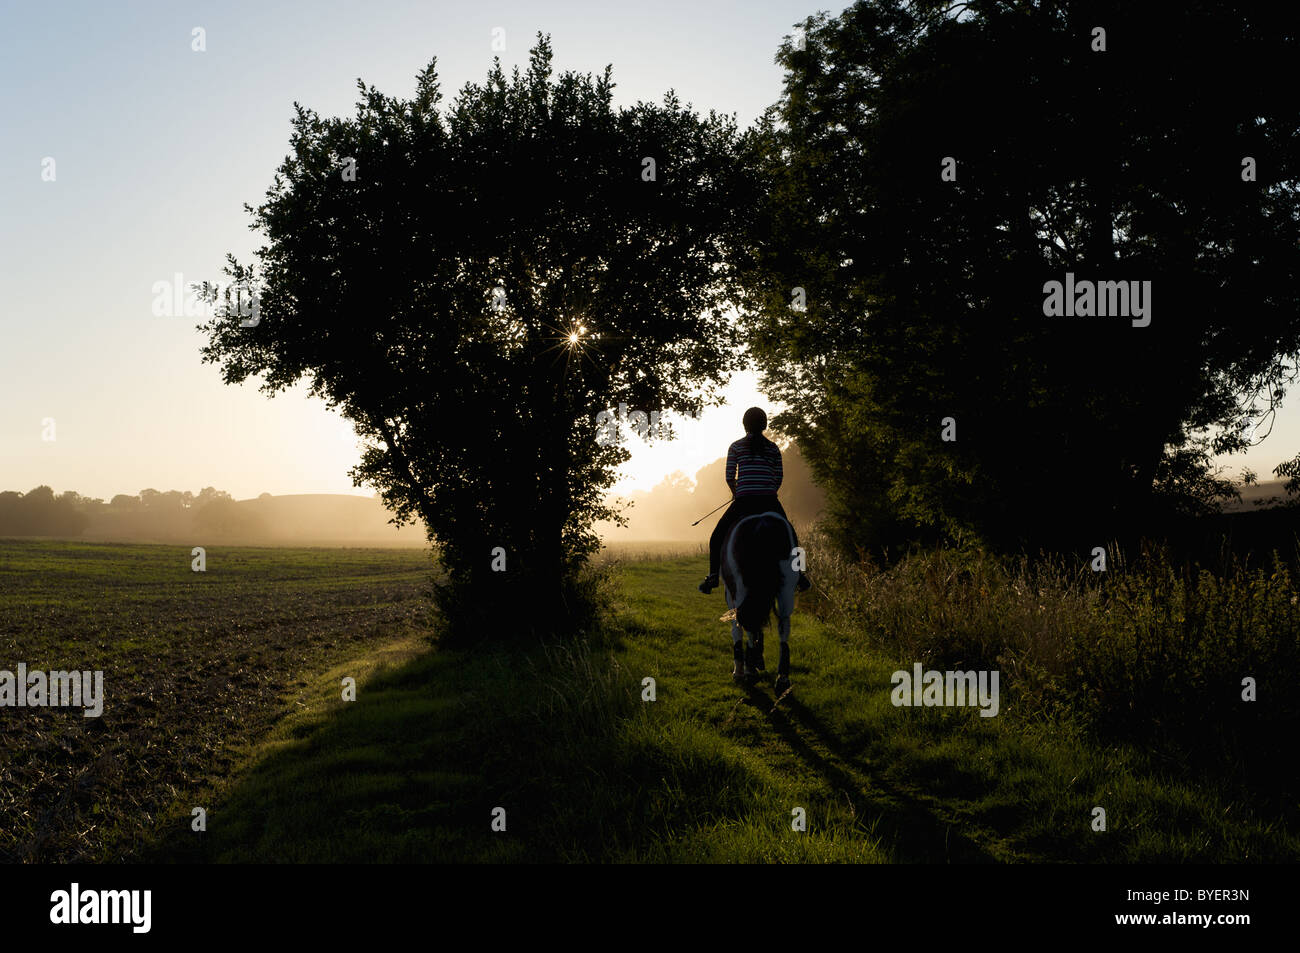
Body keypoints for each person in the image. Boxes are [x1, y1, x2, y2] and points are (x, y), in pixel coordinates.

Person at [699, 407, 811, 594]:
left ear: (744, 425)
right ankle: (799, 574)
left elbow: (729, 476)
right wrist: (767, 491)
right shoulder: (773, 448)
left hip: (744, 502)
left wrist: (737, 492)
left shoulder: (736, 447)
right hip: (769, 501)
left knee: (717, 536)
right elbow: (779, 477)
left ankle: (712, 577)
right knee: (791, 535)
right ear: (764, 425)